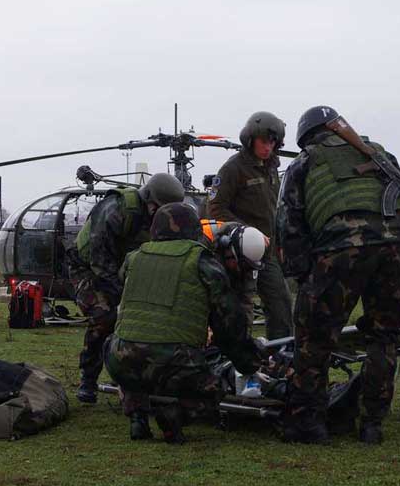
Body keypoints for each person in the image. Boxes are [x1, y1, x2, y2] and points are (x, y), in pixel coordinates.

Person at [276, 105, 400, 445]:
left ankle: (310, 423)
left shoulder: (305, 162)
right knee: (384, 336)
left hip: (339, 249)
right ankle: (372, 424)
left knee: (314, 336)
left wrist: (302, 273)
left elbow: (288, 223)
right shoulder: (380, 154)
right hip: (395, 247)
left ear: (306, 136)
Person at [104, 203, 262, 443]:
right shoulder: (202, 261)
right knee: (214, 387)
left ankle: (138, 417)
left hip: (119, 360)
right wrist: (249, 363)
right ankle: (174, 416)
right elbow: (230, 326)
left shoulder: (133, 258)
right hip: (175, 363)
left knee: (125, 354)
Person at [69, 173, 185, 404]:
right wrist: (128, 294)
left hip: (125, 271)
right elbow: (100, 262)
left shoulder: (161, 219)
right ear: (149, 200)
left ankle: (133, 378)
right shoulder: (115, 211)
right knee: (105, 317)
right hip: (88, 269)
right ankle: (88, 379)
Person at [208, 111, 293, 340]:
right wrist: (246, 233)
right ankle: (235, 357)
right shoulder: (233, 168)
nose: (268, 147)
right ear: (250, 139)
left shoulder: (272, 168)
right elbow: (215, 209)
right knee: (238, 310)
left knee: (281, 306)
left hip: (268, 252)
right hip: (237, 252)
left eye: (273, 142)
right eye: (264, 141)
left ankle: (279, 355)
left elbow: (273, 210)